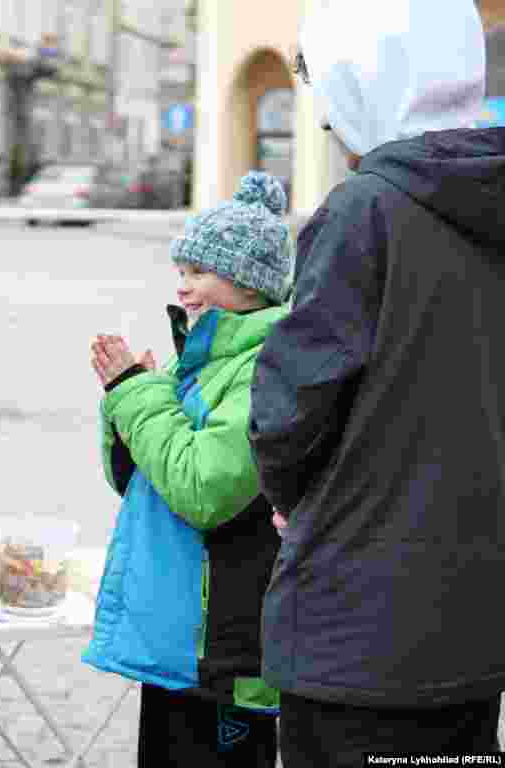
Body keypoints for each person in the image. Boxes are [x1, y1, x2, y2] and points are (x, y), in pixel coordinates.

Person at [247, 2, 504, 764]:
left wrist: (291, 498)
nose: (332, 127)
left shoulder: (368, 210)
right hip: (475, 624)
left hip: (356, 632)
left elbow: (289, 410)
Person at [84, 172, 292, 768]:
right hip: (180, 643)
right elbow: (140, 485)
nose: (183, 287)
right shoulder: (204, 357)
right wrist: (131, 400)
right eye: (181, 271)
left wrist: (135, 394)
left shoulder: (267, 366)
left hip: (225, 651)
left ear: (249, 281)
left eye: (199, 272)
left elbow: (202, 489)